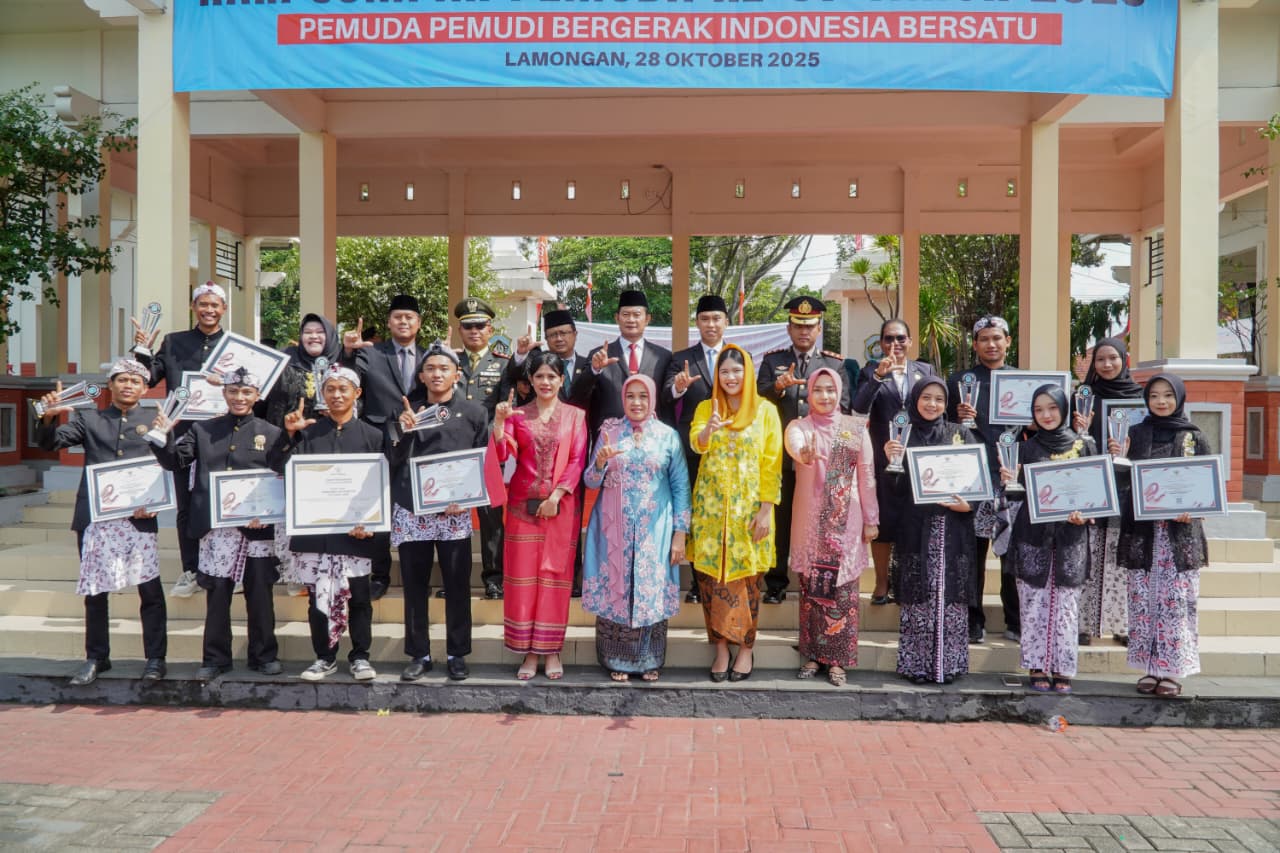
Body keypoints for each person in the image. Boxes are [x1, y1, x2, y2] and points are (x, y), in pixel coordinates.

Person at [36, 359, 167, 686]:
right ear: (110, 385)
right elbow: (51, 442)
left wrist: (155, 503)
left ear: (144, 388)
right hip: (96, 518)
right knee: (96, 591)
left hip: (138, 518)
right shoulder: (89, 418)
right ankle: (97, 657)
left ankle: (155, 659)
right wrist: (50, 415)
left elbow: (168, 464)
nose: (127, 386)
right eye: (121, 380)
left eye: (135, 381)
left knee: (150, 590)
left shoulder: (154, 419)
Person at [150, 367, 284, 680]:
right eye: (233, 391)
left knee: (260, 595)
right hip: (217, 530)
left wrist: (264, 512)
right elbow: (175, 461)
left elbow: (280, 476)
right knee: (218, 596)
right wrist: (164, 434)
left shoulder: (271, 432)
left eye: (246, 392)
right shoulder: (202, 430)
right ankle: (215, 658)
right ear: (223, 393)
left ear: (257, 396)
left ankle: (264, 656)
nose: (239, 398)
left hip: (257, 529)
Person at [278, 367, 387, 682]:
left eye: (343, 388)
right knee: (319, 598)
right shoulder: (308, 433)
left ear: (357, 393)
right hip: (318, 532)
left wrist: (371, 522)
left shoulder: (373, 436)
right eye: (330, 389)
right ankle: (324, 657)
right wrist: (288, 436)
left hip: (358, 532)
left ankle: (361, 656)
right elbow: (279, 467)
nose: (337, 395)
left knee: (360, 598)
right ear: (322, 394)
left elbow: (380, 485)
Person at [390, 342, 489, 682]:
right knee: (415, 586)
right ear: (421, 374)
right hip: (412, 510)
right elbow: (393, 461)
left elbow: (483, 460)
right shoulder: (407, 409)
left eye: (443, 368)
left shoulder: (474, 413)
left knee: (457, 584)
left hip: (454, 512)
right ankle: (419, 653)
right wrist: (405, 431)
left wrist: (467, 497)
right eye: (430, 368)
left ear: (456, 375)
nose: (436, 374)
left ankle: (456, 653)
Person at [582, 374, 691, 682]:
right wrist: (600, 463)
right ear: (623, 399)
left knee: (649, 590)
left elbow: (681, 485)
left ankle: (649, 660)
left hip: (653, 532)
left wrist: (680, 533)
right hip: (612, 529)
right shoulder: (609, 432)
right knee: (616, 586)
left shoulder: (667, 436)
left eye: (643, 396)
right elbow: (589, 481)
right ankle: (614, 658)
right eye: (631, 396)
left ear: (652, 399)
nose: (637, 402)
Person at [493, 350, 589, 680]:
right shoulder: (518, 416)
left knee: (554, 581)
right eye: (539, 376)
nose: (545, 382)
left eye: (552, 376)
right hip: (522, 507)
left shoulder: (576, 417)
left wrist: (558, 494)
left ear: (562, 379)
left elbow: (578, 459)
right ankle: (529, 654)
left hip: (559, 510)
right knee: (523, 582)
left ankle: (551, 651)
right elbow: (505, 453)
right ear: (529, 381)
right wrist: (499, 423)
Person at [690, 344, 782, 683]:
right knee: (711, 581)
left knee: (748, 582)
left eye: (736, 371)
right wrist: (708, 429)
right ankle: (720, 649)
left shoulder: (765, 411)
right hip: (710, 512)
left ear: (748, 373)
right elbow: (696, 443)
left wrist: (766, 510)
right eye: (724, 372)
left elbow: (772, 463)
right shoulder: (706, 407)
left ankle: (745, 648)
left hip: (749, 512)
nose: (730, 377)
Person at [133, 281, 228, 600]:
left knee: (224, 502)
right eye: (203, 304)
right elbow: (148, 378)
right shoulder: (174, 343)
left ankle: (225, 566)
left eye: (215, 305)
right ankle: (192, 568)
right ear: (193, 307)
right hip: (183, 436)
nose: (209, 310)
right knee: (186, 506)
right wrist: (143, 351)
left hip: (225, 435)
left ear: (224, 309)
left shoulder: (235, 345)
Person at [1116, 374, 1209, 698]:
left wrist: (1193, 509)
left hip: (1178, 535)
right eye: (1154, 395)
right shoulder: (1136, 433)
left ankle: (1172, 671)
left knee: (1176, 603)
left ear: (1179, 398)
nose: (1160, 401)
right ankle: (1150, 668)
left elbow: (1206, 484)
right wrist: (1118, 460)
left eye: (1168, 395)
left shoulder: (1193, 437)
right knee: (1145, 601)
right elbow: (1125, 480)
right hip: (1143, 533)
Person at [785, 368, 878, 687]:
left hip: (846, 521)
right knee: (812, 589)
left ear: (839, 393)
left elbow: (866, 476)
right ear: (808, 394)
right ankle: (812, 654)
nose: (825, 396)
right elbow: (795, 446)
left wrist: (871, 519)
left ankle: (838, 660)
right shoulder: (800, 426)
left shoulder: (853, 429)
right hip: (811, 521)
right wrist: (805, 454)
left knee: (842, 593)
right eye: (818, 390)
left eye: (830, 390)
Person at [884, 377, 978, 685]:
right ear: (915, 398)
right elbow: (894, 490)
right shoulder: (904, 436)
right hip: (915, 528)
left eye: (939, 398)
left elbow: (977, 483)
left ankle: (948, 665)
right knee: (917, 598)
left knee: (950, 597)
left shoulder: (960, 435)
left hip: (952, 529)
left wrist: (970, 506)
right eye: (926, 397)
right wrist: (891, 460)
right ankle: (917, 666)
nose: (932, 404)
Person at [1002, 385, 1096, 695]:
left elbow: (1095, 493)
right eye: (1039, 409)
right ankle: (1037, 664)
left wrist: (1087, 513)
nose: (1046, 414)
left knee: (1066, 606)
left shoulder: (1083, 447)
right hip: (1033, 537)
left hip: (1071, 537)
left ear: (1064, 409)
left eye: (1052, 408)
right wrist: (1009, 484)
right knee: (1034, 603)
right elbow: (1018, 496)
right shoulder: (1027, 449)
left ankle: (1063, 667)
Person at [756, 296, 849, 604]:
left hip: (818, 460)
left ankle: (816, 579)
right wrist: (777, 387)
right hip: (781, 456)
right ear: (789, 328)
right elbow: (757, 403)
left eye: (810, 326)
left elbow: (844, 407)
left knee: (817, 520)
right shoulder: (772, 361)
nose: (804, 332)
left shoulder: (833, 364)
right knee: (780, 521)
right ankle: (776, 582)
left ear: (819, 328)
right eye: (798, 326)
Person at [341, 294, 425, 601]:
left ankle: (417, 572)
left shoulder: (430, 355)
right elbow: (348, 377)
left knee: (415, 506)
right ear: (389, 322)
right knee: (378, 508)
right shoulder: (371, 353)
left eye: (409, 317)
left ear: (419, 323)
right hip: (378, 438)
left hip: (417, 440)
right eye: (398, 317)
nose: (404, 322)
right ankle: (380, 574)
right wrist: (347, 351)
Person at [851, 318, 938, 605]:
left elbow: (936, 409)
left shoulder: (924, 371)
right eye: (888, 339)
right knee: (884, 523)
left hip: (917, 459)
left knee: (913, 522)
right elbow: (859, 407)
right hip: (882, 457)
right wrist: (877, 377)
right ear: (881, 343)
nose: (895, 344)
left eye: (901, 338)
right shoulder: (870, 371)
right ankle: (880, 584)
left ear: (910, 342)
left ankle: (908, 582)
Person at [946, 315, 1019, 644]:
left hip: (1010, 480)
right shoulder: (959, 381)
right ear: (974, 345)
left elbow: (1036, 428)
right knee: (970, 555)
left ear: (1008, 341)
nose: (991, 344)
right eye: (984, 339)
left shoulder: (1023, 383)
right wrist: (956, 419)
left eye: (997, 338)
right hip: (971, 481)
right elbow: (942, 427)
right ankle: (972, 620)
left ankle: (1014, 620)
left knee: (1011, 555)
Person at [1074, 337, 1143, 647]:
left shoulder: (1140, 399)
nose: (1106, 365)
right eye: (1100, 359)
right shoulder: (1082, 399)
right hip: (1090, 485)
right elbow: (1067, 444)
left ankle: (1121, 624)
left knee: (1119, 556)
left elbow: (1146, 443)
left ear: (1124, 360)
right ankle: (1083, 624)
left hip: (1125, 487)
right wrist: (1080, 430)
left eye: (1112, 358)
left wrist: (1127, 452)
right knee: (1087, 554)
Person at [661, 293, 729, 604]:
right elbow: (665, 396)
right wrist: (679, 386)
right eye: (705, 319)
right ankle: (696, 580)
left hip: (729, 451)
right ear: (697, 323)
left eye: (716, 318)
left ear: (726, 322)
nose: (711, 324)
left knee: (722, 513)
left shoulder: (738, 356)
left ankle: (721, 574)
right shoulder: (682, 358)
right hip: (693, 448)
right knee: (695, 513)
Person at [453, 297, 510, 601]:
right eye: (467, 326)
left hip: (488, 450)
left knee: (490, 518)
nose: (474, 331)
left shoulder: (503, 364)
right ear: (459, 330)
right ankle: (455, 578)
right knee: (453, 516)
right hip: (454, 452)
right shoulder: (448, 363)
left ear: (490, 329)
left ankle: (494, 578)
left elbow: (507, 405)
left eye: (479, 325)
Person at [586, 289, 674, 439]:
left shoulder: (663, 357)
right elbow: (582, 395)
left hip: (652, 439)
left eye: (637, 315)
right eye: (626, 315)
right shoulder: (599, 356)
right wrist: (594, 369)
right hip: (610, 439)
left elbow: (667, 399)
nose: (631, 320)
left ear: (647, 319)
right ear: (617, 318)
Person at [261, 313, 341, 427]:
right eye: (308, 332)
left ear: (330, 335)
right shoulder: (284, 359)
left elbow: (359, 401)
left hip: (328, 436)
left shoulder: (342, 362)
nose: (313, 336)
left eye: (320, 332)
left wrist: (337, 410)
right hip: (285, 436)